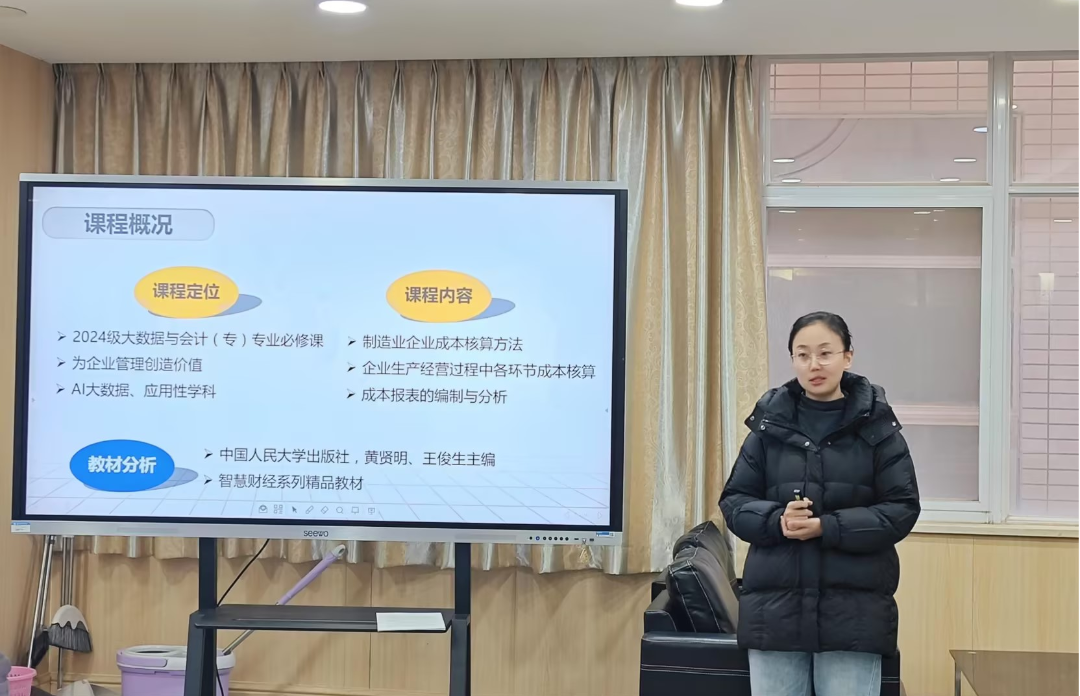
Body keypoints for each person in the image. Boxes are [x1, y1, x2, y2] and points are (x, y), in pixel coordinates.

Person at [719, 311, 920, 696]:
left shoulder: (877, 427)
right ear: (792, 359)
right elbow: (734, 502)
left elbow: (902, 509)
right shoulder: (769, 426)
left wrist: (828, 527)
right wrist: (777, 520)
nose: (814, 365)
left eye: (825, 353)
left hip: (854, 615)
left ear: (848, 357)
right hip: (775, 613)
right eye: (803, 355)